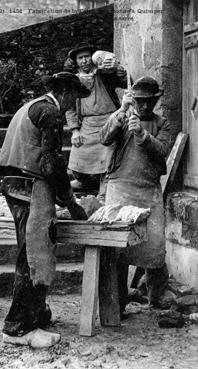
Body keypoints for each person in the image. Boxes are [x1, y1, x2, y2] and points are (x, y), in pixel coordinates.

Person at [0, 71, 89, 346]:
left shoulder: (28, 107)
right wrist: (71, 202)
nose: (74, 103)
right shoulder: (51, 113)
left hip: (12, 185)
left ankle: (37, 313)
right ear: (64, 92)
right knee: (34, 257)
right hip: (31, 188)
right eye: (73, 96)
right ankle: (18, 328)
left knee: (30, 252)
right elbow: (50, 164)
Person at [99, 76, 170, 319]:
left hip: (148, 189)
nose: (143, 106)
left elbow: (163, 151)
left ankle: (157, 299)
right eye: (139, 101)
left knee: (155, 244)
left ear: (156, 100)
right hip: (120, 188)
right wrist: (120, 113)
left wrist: (142, 133)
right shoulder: (123, 116)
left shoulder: (162, 123)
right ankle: (117, 304)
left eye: (149, 101)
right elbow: (104, 138)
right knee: (118, 248)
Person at [65, 42, 128, 194]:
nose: (84, 60)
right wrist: (74, 130)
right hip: (87, 124)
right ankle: (85, 182)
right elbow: (70, 107)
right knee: (78, 156)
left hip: (109, 121)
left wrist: (118, 69)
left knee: (108, 156)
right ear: (76, 61)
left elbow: (123, 81)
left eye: (87, 56)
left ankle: (106, 187)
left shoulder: (104, 74)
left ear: (92, 58)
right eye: (80, 58)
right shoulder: (73, 80)